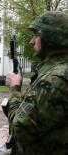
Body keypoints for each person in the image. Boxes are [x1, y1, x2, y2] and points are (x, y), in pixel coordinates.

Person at [5, 11, 68, 155]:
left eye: (36, 35)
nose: (32, 41)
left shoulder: (54, 80)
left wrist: (14, 88)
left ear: (51, 37)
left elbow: (20, 129)